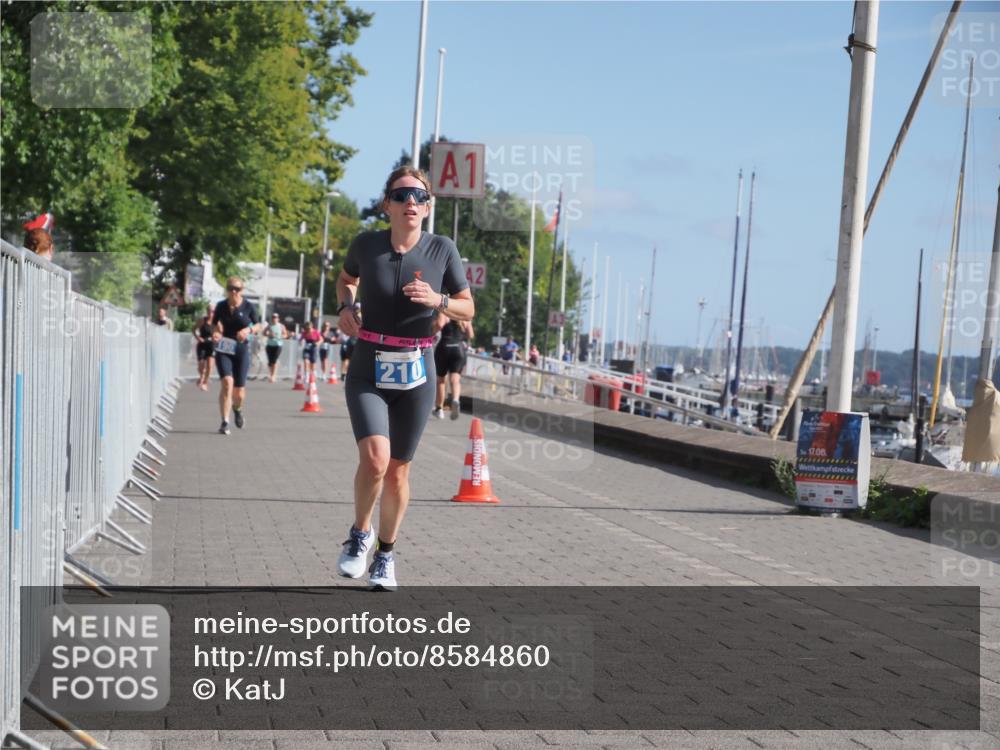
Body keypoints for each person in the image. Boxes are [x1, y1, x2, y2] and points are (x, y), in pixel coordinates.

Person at [335, 166, 473, 591]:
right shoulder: (367, 245)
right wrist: (344, 308)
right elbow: (345, 280)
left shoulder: (441, 250)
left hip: (417, 369)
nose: (410, 202)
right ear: (387, 205)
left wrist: (440, 300)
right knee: (375, 460)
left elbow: (468, 308)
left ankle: (386, 555)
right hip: (368, 366)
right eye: (401, 195)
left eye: (418, 195)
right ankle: (360, 534)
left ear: (428, 207)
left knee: (397, 472)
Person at [211, 276, 260, 435]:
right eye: (231, 288)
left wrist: (248, 330)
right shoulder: (221, 306)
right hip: (224, 347)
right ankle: (225, 422)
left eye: (237, 289)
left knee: (238, 392)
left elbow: (258, 324)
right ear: (227, 289)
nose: (234, 291)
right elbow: (214, 325)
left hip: (241, 349)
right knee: (226, 382)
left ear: (242, 290)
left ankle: (237, 409)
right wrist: (216, 334)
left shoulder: (248, 307)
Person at [432, 314, 474, 420]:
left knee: (441, 380)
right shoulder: (464, 314)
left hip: (444, 347)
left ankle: (439, 408)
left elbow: (439, 325)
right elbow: (470, 335)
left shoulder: (444, 312)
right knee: (455, 379)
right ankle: (455, 399)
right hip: (458, 347)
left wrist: (431, 330)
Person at [193, 310, 215, 391]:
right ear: (207, 311)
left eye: (212, 311)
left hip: (212, 345)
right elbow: (193, 329)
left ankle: (205, 382)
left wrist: (217, 337)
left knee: (210, 366)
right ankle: (202, 376)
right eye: (209, 311)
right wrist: (198, 337)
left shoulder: (217, 321)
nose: (210, 313)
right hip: (202, 345)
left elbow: (221, 332)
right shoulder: (202, 320)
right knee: (201, 366)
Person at [264, 313, 288, 383]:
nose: (274, 319)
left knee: (274, 360)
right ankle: (271, 374)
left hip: (278, 344)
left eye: (276, 318)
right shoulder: (269, 326)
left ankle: (273, 376)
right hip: (269, 345)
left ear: (278, 319)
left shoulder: (281, 326)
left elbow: (286, 335)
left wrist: (280, 337)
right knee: (270, 362)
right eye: (273, 318)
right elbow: (264, 332)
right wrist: (268, 334)